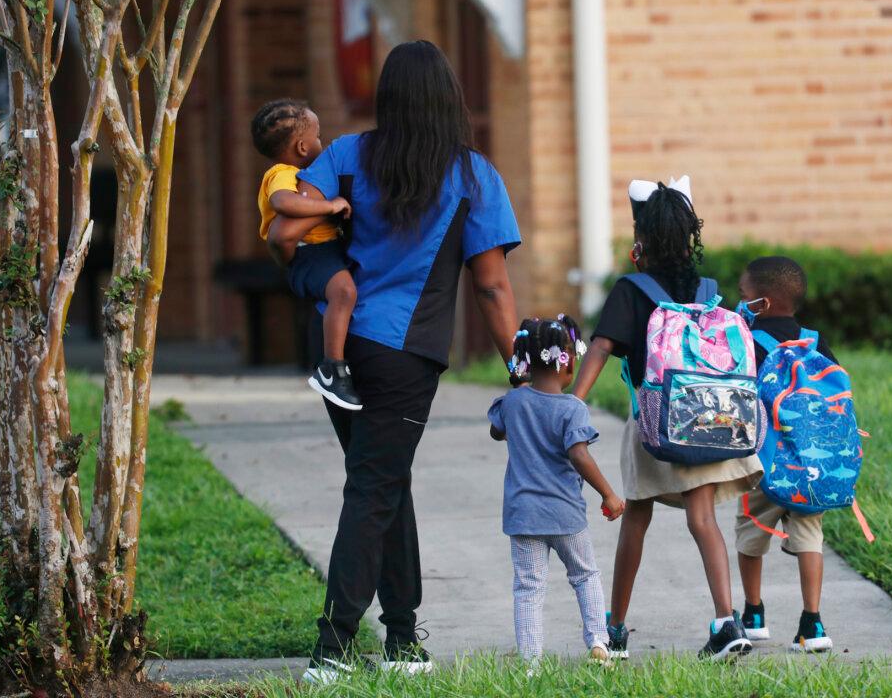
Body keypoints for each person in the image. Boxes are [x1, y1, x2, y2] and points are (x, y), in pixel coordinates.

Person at [266, 41, 522, 684]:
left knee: (384, 480)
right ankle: (334, 647)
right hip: (406, 356)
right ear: (448, 100)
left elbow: (285, 234)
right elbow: (491, 288)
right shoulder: (473, 176)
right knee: (376, 486)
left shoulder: (345, 155)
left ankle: (404, 641)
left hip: (338, 348)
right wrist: (521, 372)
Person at [571, 180, 763, 661]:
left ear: (642, 239)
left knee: (636, 516)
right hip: (709, 417)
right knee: (704, 519)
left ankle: (613, 630)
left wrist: (573, 401)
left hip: (654, 424)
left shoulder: (631, 290)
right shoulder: (707, 290)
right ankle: (727, 621)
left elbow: (601, 347)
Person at [488, 315, 624, 667]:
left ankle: (531, 663)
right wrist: (608, 493)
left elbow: (496, 432)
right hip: (565, 514)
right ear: (567, 359)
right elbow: (579, 453)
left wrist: (518, 386)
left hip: (523, 516)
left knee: (529, 588)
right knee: (585, 575)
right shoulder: (572, 409)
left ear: (525, 361)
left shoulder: (512, 403)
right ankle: (597, 643)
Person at [732, 256, 838, 653]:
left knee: (750, 532)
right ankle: (812, 622)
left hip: (762, 462)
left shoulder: (748, 339)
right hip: (809, 466)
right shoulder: (814, 340)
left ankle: (754, 613)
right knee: (810, 536)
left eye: (744, 296)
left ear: (763, 303)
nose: (739, 302)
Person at [251, 99, 361, 410]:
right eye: (318, 137)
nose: (321, 143)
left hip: (321, 250)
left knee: (345, 293)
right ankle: (332, 369)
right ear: (302, 146)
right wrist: (330, 206)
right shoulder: (281, 173)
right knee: (344, 291)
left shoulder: (300, 172)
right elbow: (284, 202)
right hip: (309, 252)